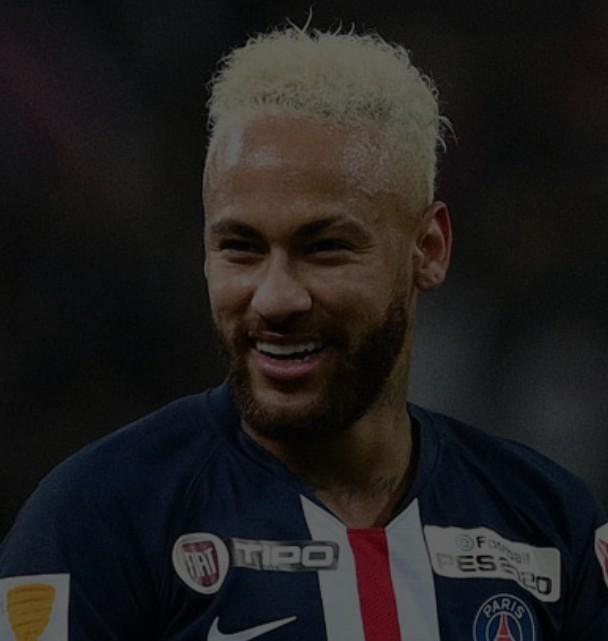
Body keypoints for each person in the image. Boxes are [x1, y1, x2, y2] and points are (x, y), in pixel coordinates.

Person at [1, 24, 607, 641]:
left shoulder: (551, 529)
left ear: (428, 249)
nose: (275, 298)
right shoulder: (101, 520)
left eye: (326, 248)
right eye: (240, 247)